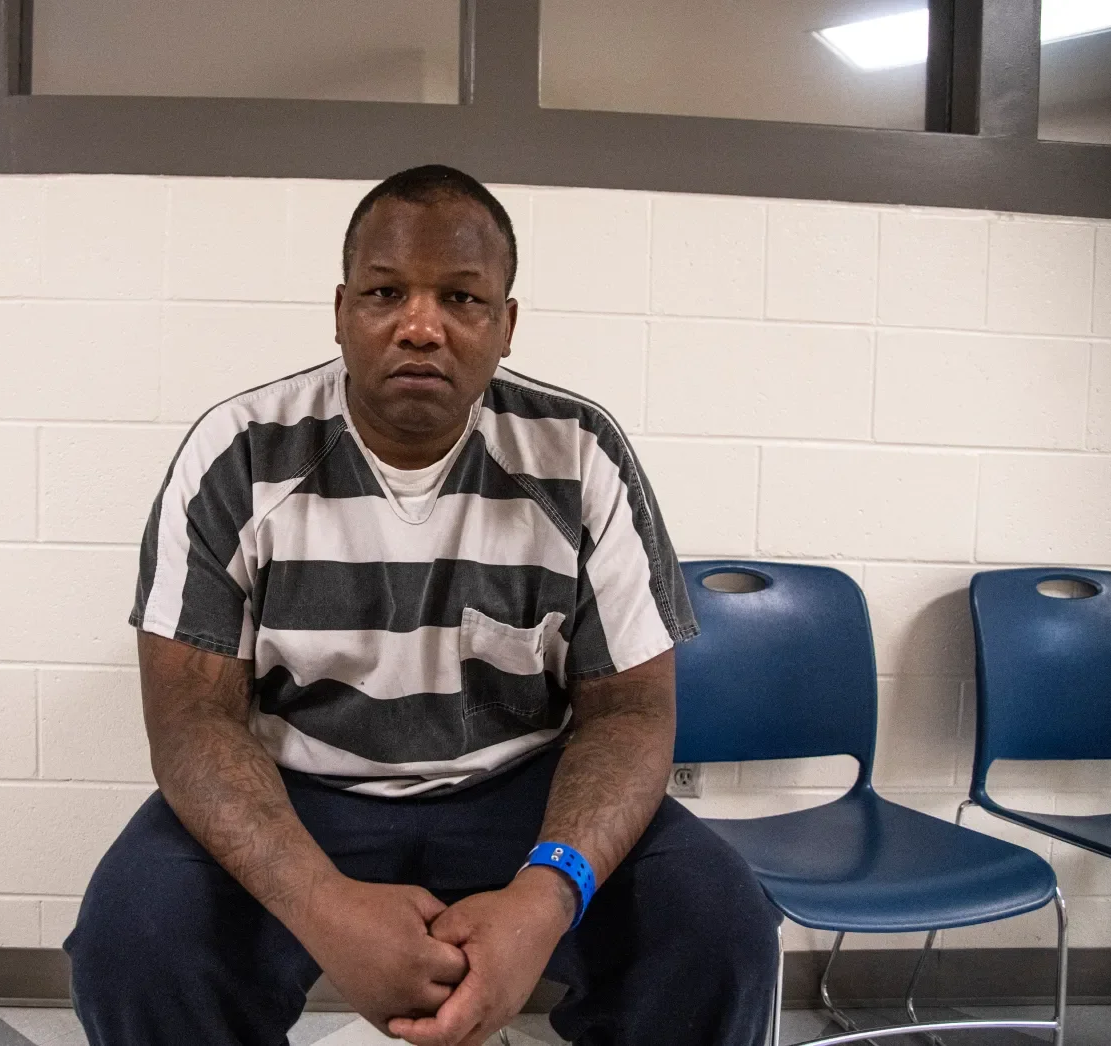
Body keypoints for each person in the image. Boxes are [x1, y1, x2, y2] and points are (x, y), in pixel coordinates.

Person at [68, 165, 780, 1046]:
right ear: (340, 311)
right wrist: (321, 903)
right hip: (300, 788)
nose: (419, 325)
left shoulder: (579, 453)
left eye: (460, 298)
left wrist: (545, 894)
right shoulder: (238, 453)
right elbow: (190, 719)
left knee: (717, 925)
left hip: (522, 790)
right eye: (384, 293)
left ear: (505, 325)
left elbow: (631, 711)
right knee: (135, 938)